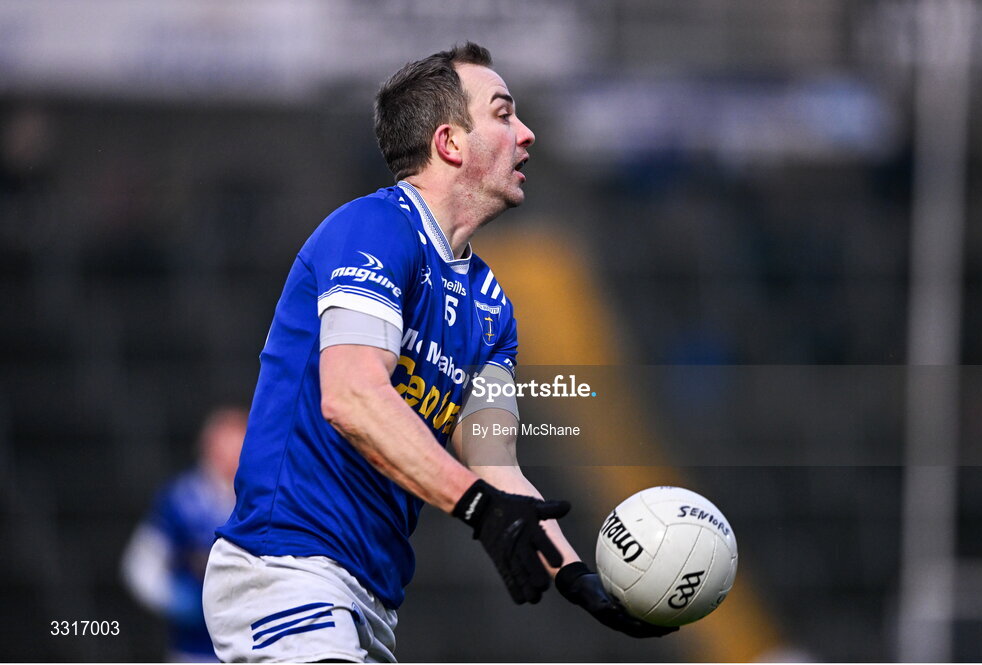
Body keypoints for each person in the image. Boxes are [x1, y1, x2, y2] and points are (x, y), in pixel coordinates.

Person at [202, 42, 676, 663]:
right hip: (287, 571)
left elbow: (494, 463)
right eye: (504, 115)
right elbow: (350, 396)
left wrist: (574, 575)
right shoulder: (372, 229)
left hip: (368, 600)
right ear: (450, 143)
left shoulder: (492, 306)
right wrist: (479, 510)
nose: (527, 134)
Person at [122, 407, 247, 662]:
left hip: (252, 643)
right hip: (195, 650)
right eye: (228, 441)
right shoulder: (181, 500)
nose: (235, 451)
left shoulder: (264, 499)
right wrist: (176, 599)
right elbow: (141, 566)